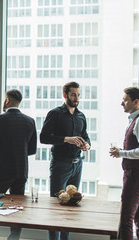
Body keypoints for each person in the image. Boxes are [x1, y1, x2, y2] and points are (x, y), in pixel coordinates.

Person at [40, 81, 90, 240]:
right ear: (65, 95)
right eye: (73, 94)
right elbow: (44, 138)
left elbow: (86, 136)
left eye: (78, 95)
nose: (77, 98)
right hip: (60, 165)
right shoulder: (55, 114)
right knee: (56, 205)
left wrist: (87, 145)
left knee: (71, 205)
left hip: (78, 165)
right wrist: (66, 139)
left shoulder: (81, 116)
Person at [0, 89, 37, 240]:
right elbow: (32, 150)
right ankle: (13, 238)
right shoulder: (30, 121)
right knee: (17, 208)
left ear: (7, 100)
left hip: (0, 171)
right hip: (21, 171)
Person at [109, 87, 139, 240]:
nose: (122, 103)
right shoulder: (136, 120)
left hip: (137, 174)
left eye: (125, 100)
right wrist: (122, 150)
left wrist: (121, 153)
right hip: (136, 172)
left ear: (136, 102)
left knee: (126, 217)